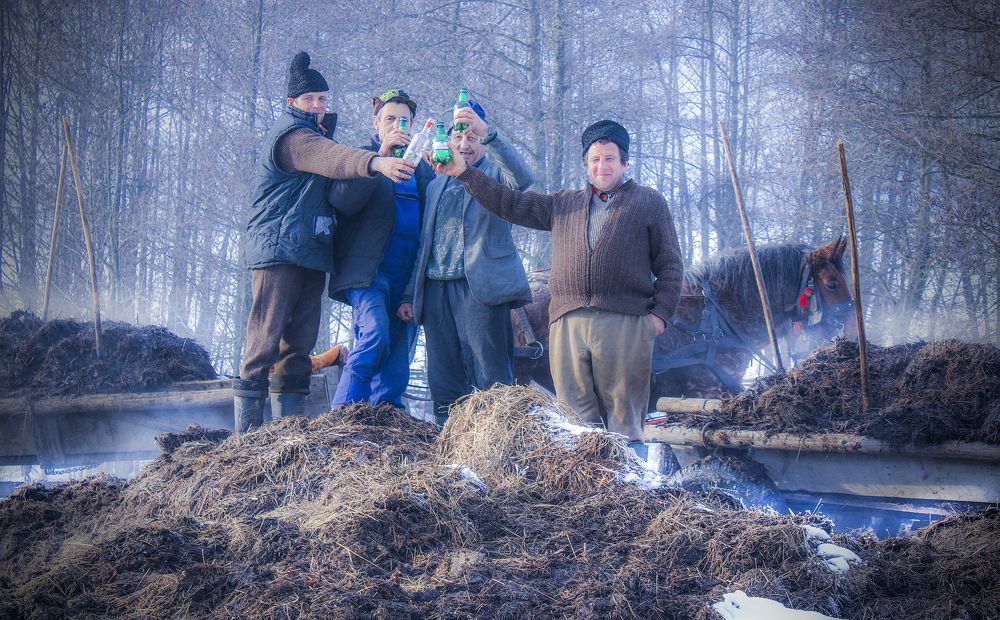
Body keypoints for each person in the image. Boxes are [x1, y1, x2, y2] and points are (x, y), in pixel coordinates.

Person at [430, 119, 684, 458]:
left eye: (609, 158)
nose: (602, 166)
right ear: (586, 165)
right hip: (567, 325)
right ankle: (586, 497)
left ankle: (633, 492)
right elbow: (507, 202)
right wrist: (464, 173)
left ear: (625, 163)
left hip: (625, 321)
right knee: (577, 421)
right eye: (594, 159)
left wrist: (659, 317)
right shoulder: (565, 203)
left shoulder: (647, 202)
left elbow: (670, 265)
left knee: (624, 420)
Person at [233, 52, 414, 433]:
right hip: (278, 249)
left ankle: (288, 431)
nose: (318, 105)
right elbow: (330, 158)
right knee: (264, 340)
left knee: (299, 343)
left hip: (311, 252)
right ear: (292, 103)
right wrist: (376, 162)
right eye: (310, 99)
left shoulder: (318, 134)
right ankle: (247, 434)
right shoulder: (294, 137)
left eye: (322, 98)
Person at [397, 99, 535, 425]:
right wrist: (408, 295)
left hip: (480, 289)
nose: (464, 145)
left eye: (471, 138)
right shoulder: (436, 184)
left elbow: (524, 177)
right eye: (458, 138)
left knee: (492, 381)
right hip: (436, 293)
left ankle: (496, 452)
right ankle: (449, 458)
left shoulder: (496, 174)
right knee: (444, 383)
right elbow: (424, 246)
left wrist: (489, 133)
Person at [326, 89, 434, 408]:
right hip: (370, 271)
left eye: (404, 120)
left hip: (408, 274)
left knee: (400, 355)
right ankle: (342, 415)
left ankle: (387, 420)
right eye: (390, 119)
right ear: (377, 123)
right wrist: (378, 160)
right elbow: (342, 202)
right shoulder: (360, 158)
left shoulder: (423, 169)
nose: (397, 125)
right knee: (374, 335)